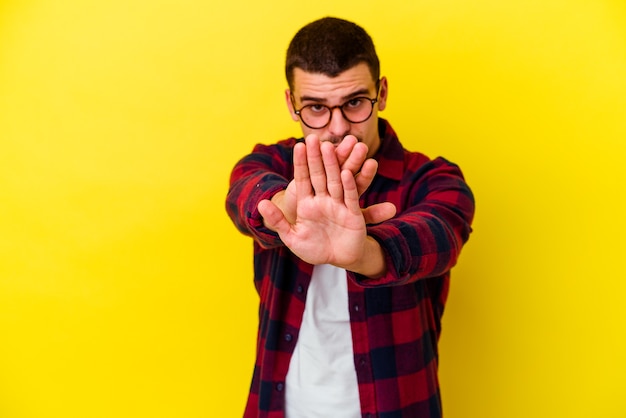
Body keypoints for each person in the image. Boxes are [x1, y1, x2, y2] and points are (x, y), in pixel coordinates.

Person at [226, 16, 475, 418]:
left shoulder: (433, 179)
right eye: (316, 108)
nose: (338, 127)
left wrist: (366, 253)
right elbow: (244, 188)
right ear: (292, 104)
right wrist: (281, 206)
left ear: (382, 92)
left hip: (398, 406)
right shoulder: (273, 163)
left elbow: (439, 235)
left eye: (355, 103)